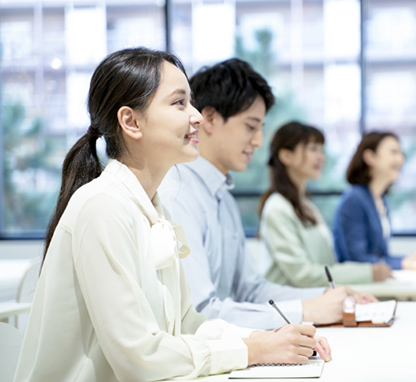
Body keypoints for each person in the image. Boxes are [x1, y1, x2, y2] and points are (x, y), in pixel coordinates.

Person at [14, 48, 329, 382]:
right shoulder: (102, 207)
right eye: (179, 103)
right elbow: (139, 357)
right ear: (131, 122)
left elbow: (187, 322)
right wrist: (252, 351)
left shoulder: (152, 208)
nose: (196, 117)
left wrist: (262, 340)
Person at [159, 58, 374, 331]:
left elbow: (250, 289)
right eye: (251, 126)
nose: (259, 141)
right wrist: (307, 309)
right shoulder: (177, 194)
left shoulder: (222, 196)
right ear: (209, 118)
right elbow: (199, 313)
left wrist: (326, 297)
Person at [258, 122, 394, 288]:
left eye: (321, 150)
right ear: (286, 156)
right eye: (313, 149)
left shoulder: (307, 207)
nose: (321, 157)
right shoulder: (277, 207)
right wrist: (368, 272)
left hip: (313, 299)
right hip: (288, 305)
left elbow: (328, 265)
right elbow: (302, 274)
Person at [332, 131, 416, 274]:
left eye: (401, 154)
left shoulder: (380, 200)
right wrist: (405, 262)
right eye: (393, 152)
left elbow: (381, 257)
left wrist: (411, 259)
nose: (400, 159)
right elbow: (357, 260)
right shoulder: (354, 200)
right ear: (370, 157)